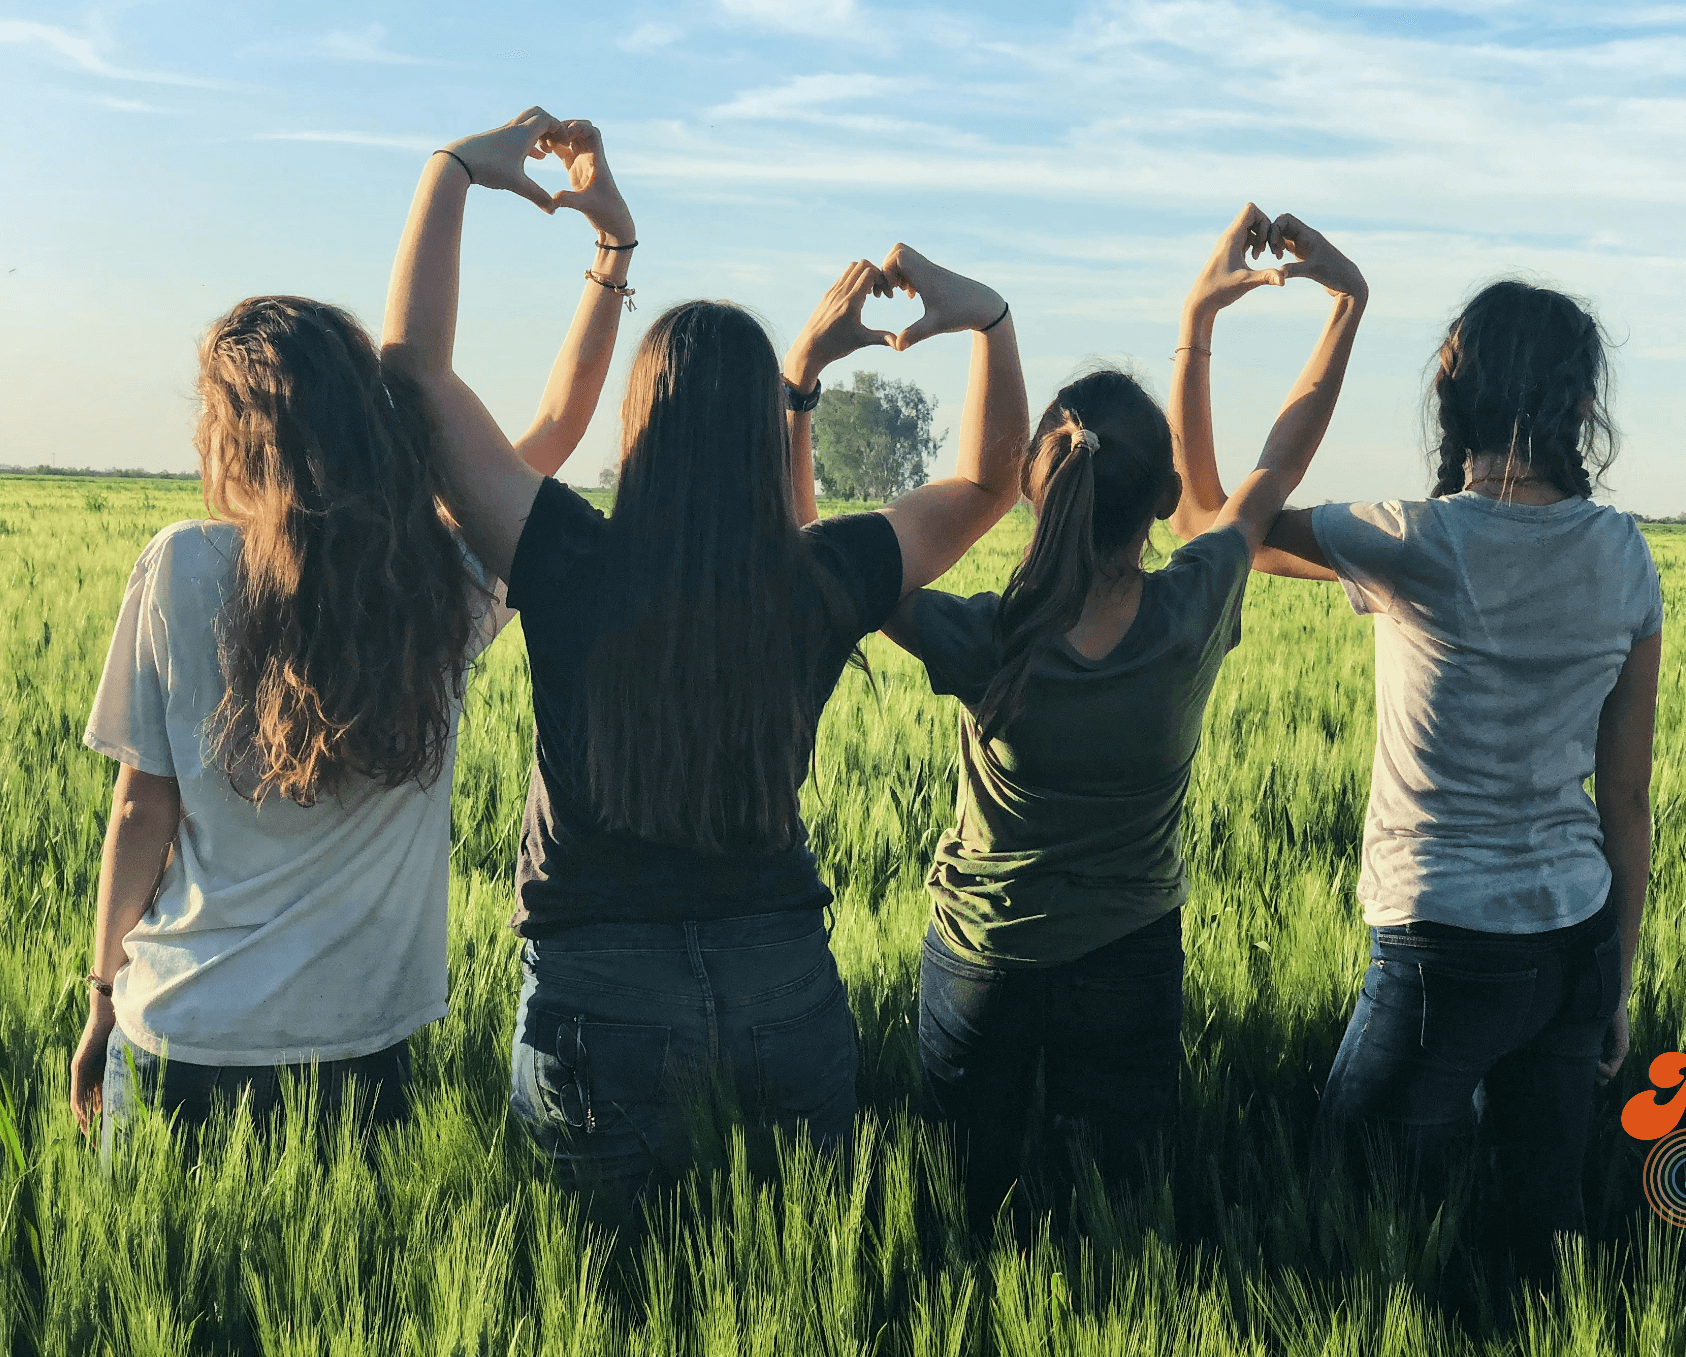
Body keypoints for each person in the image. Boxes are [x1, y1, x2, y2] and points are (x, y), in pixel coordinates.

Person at [378, 107, 1030, 1197]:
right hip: (784, 985)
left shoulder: (568, 558)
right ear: (753, 436)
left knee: (611, 1301)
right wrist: (989, 322)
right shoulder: (820, 579)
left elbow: (412, 379)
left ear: (640, 425)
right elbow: (988, 480)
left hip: (597, 996)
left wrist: (450, 171)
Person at [69, 120, 631, 1142]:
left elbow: (137, 812)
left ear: (229, 434)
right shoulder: (435, 579)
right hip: (362, 1047)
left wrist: (104, 991)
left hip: (181, 1032)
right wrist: (609, 256)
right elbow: (555, 426)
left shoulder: (181, 566)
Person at [1170, 258, 1661, 1263]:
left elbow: (1203, 522)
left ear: (1452, 387)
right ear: (1576, 403)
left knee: (1344, 1220)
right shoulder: (1622, 554)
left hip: (1440, 947)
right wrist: (1614, 981)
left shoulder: (1411, 540)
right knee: (1543, 1230)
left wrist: (1197, 322)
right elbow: (1625, 801)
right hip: (1574, 938)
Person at [884, 204, 1367, 1221]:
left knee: (961, 1213)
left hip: (984, 958)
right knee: (1121, 1213)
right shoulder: (1193, 605)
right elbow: (1275, 461)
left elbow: (828, 569)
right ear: (1161, 500)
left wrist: (802, 382)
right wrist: (1334, 306)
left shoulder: (987, 636)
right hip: (1129, 957)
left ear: (1031, 492)